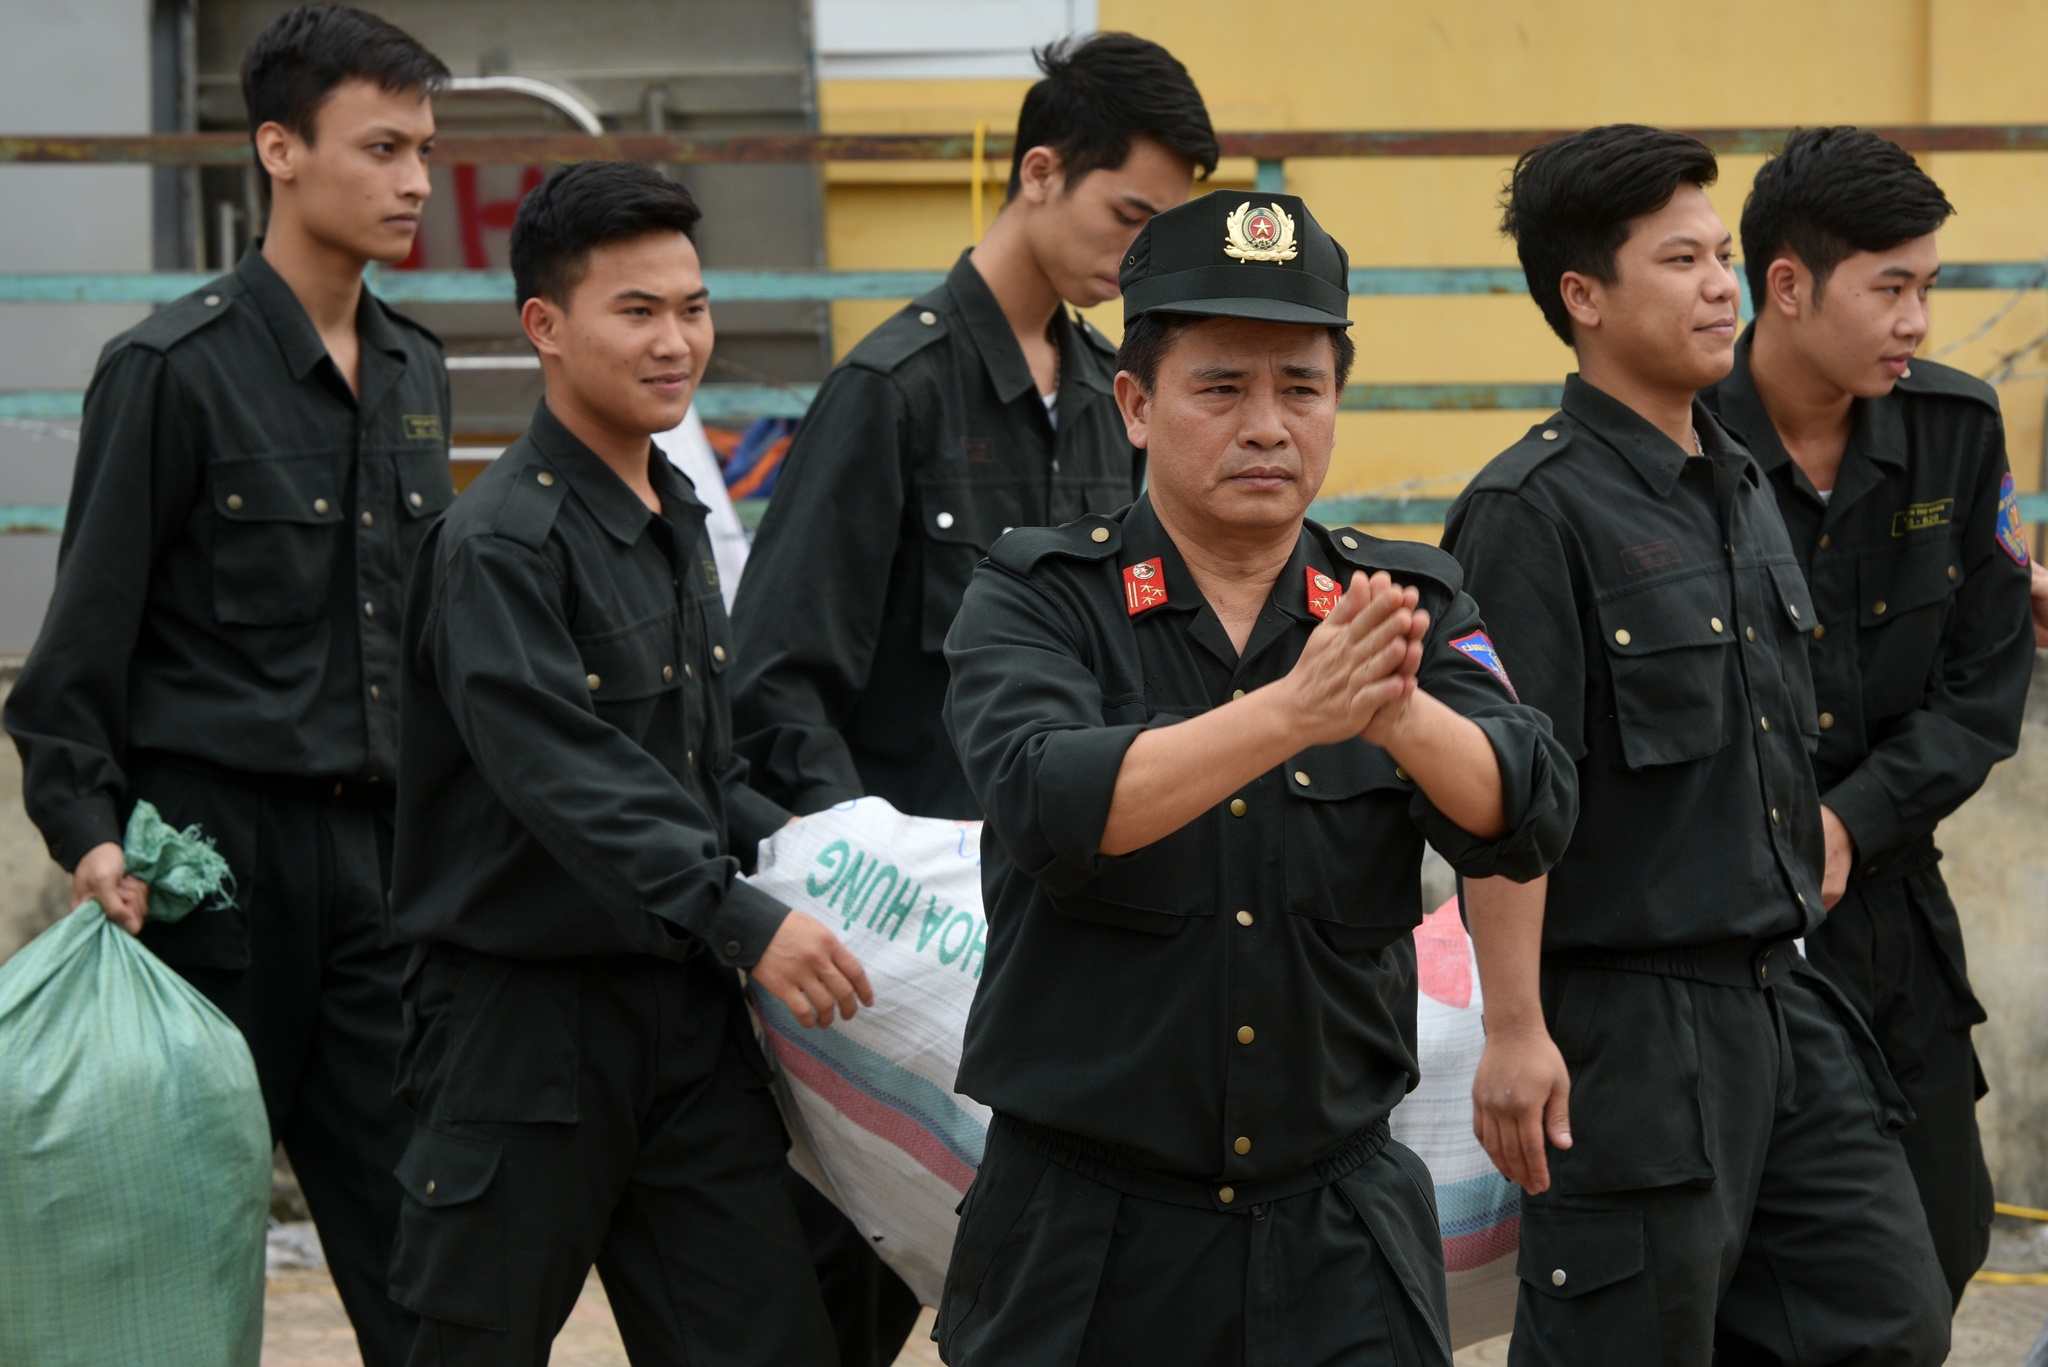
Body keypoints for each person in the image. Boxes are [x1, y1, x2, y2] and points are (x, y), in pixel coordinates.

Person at [937, 190, 1577, 1366]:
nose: (1267, 426)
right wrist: (1292, 709)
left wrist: (1394, 713)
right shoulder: (1038, 594)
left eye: (1301, 387)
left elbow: (1524, 802)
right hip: (1086, 1234)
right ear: (1134, 404)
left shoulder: (1402, 602)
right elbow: (1047, 797)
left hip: (1334, 1224)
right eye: (1220, 387)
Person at [726, 32, 1218, 1361]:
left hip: (1067, 952)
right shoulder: (891, 394)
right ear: (1041, 172)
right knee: (845, 1297)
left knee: (1043, 1304)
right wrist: (872, 893)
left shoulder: (1118, 404)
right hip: (895, 969)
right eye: (1132, 217)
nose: (1146, 253)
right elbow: (775, 685)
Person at [1442, 124, 1952, 1365]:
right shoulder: (1529, 511)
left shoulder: (1735, 482)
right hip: (1632, 1030)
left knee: (1887, 1319)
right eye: (1680, 259)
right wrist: (1514, 1028)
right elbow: (1501, 791)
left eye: (1721, 253)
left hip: (1783, 996)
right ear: (1583, 296)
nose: (1721, 283)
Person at [3, 7, 449, 1361]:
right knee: (176, 1252)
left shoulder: (422, 373)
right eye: (381, 147)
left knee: (427, 1249)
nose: (417, 178)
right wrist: (88, 832)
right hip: (210, 874)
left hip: (384, 871)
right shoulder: (168, 372)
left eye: (425, 148)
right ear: (279, 149)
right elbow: (75, 656)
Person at [384, 162, 864, 1366]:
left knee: (766, 1339)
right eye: (636, 310)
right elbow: (567, 770)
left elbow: (697, 770)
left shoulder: (674, 513)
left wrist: (852, 856)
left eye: (692, 308)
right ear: (544, 326)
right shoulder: (495, 545)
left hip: (681, 1018)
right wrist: (745, 915)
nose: (676, 341)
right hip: (521, 1034)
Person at [1695, 126, 2036, 1303]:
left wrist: (1851, 820)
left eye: (1925, 287)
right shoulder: (1674, 453)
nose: (1915, 321)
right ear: (1784, 286)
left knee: (1940, 1241)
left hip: (1890, 908)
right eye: (1888, 288)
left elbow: (1982, 685)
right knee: (1742, 1266)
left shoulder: (1953, 431)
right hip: (1724, 934)